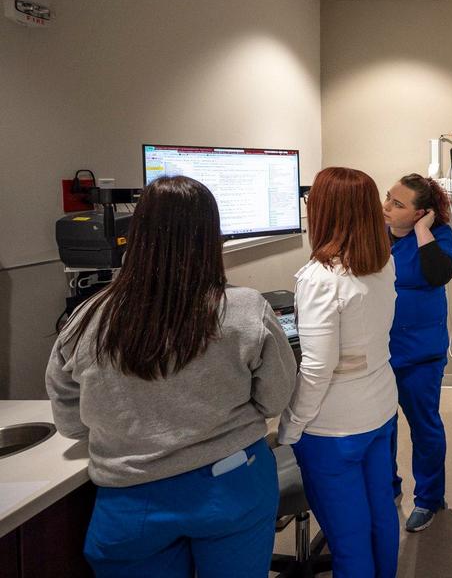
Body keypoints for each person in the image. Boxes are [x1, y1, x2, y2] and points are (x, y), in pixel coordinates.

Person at [45, 175, 296, 578]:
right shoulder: (245, 310)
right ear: (211, 237)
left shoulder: (86, 319)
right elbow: (275, 398)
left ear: (136, 235)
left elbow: (71, 422)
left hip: (131, 504)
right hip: (230, 484)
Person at [278, 167, 400, 578]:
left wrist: (291, 426)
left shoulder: (321, 278)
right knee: (380, 514)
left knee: (348, 539)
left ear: (324, 211)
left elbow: (316, 368)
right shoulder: (383, 264)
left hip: (333, 429)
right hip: (380, 409)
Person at [382, 174, 452, 532]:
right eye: (388, 198)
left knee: (423, 426)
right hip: (380, 350)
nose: (386, 207)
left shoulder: (438, 236)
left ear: (420, 213)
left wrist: (423, 230)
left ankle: (428, 498)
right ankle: (388, 487)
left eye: (398, 204)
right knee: (382, 425)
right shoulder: (376, 235)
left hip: (420, 354)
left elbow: (439, 273)